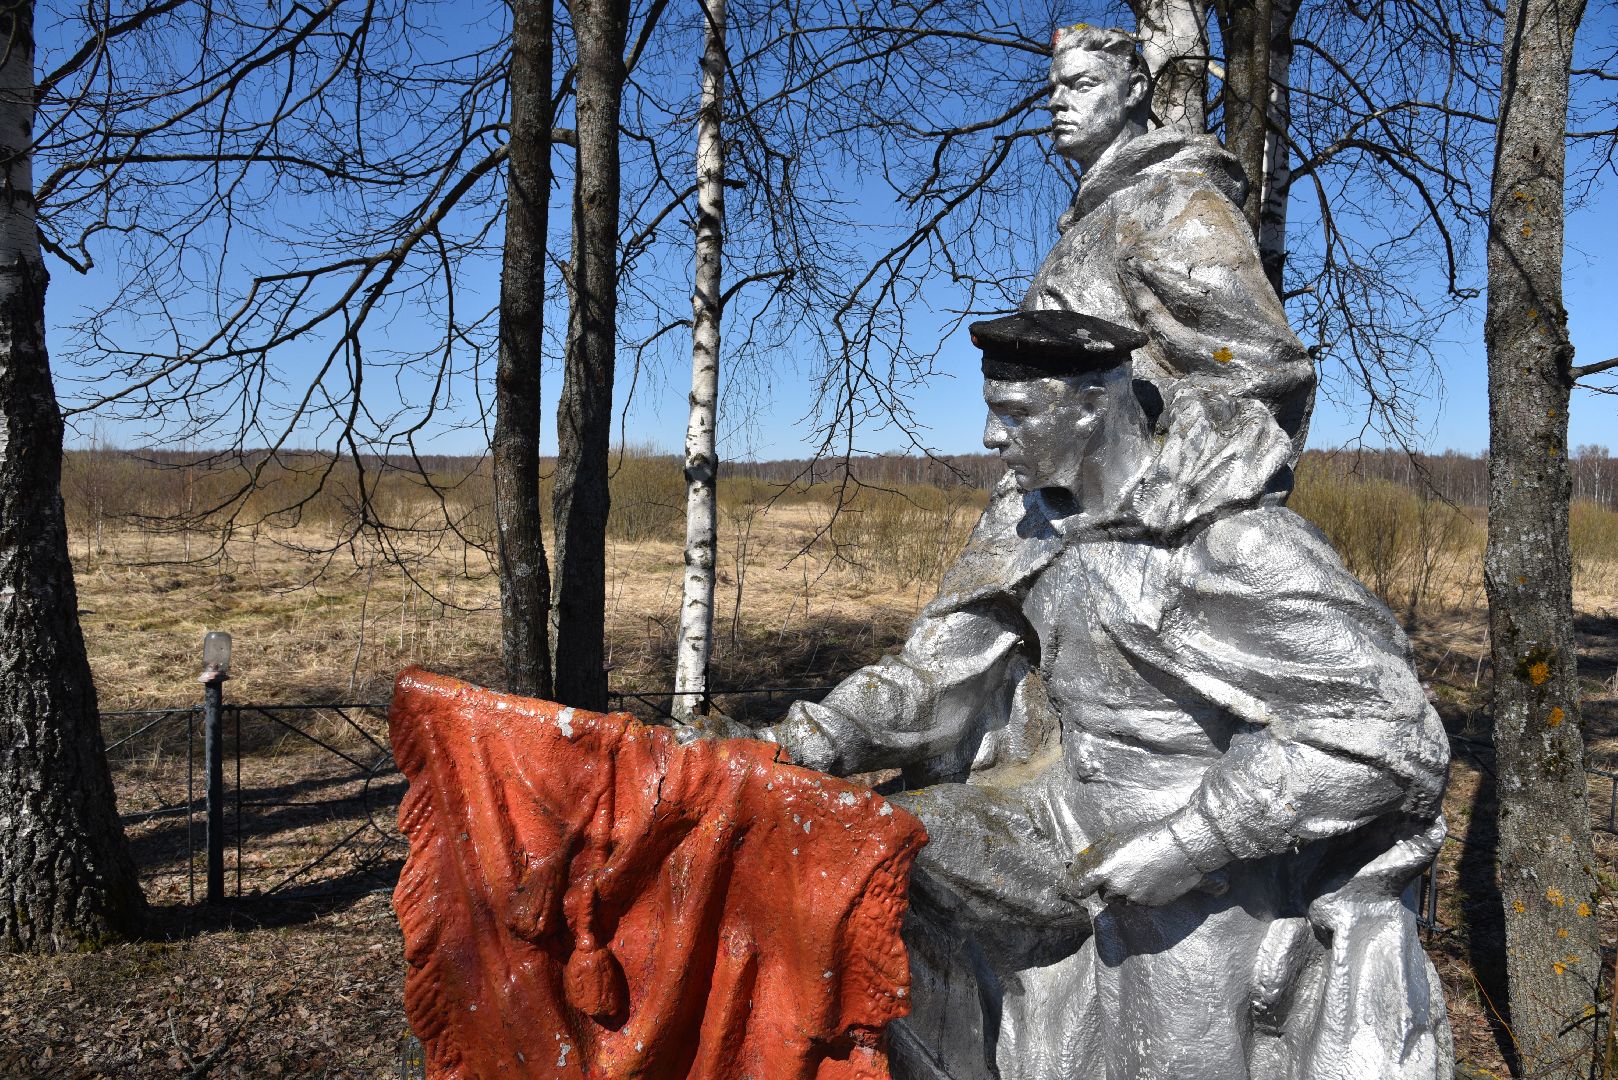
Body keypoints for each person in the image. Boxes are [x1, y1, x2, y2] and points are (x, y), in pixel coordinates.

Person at [746, 310, 1452, 1079]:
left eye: (1014, 414)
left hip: (1208, 862)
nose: (990, 438)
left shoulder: (1232, 542)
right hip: (1058, 815)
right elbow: (936, 673)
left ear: (1092, 404)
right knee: (864, 851)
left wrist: (1188, 844)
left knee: (1168, 1061)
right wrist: (798, 745)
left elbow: (1389, 733)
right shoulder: (1025, 526)